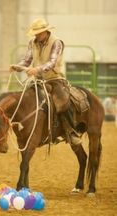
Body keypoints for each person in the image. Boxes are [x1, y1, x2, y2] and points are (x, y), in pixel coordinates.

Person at [10, 17, 81, 146]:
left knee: (63, 100)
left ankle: (71, 131)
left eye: (38, 33)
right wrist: (17, 67)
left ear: (45, 31)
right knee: (25, 99)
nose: (36, 35)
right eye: (35, 33)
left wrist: (37, 69)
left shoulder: (56, 42)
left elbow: (52, 63)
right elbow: (27, 60)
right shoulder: (33, 42)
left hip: (55, 79)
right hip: (38, 80)